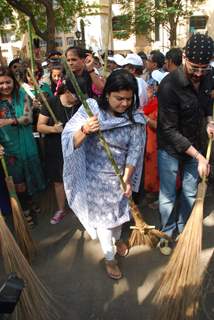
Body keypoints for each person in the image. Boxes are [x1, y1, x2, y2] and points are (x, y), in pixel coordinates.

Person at [62, 69, 146, 280]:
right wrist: (84, 129)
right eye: (119, 98)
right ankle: (109, 258)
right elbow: (70, 141)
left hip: (119, 179)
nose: (125, 104)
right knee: (105, 225)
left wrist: (127, 179)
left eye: (129, 99)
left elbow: (134, 152)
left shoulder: (135, 118)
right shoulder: (91, 111)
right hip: (94, 181)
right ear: (107, 94)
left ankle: (117, 240)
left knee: (117, 219)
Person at [157, 33, 214, 255]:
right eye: (194, 67)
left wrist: (209, 121)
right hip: (170, 149)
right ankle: (167, 231)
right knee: (168, 194)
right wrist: (200, 157)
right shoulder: (169, 85)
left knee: (190, 192)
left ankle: (184, 229)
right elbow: (169, 130)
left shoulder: (209, 77)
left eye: (204, 68)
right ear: (183, 57)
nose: (199, 73)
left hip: (198, 143)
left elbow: (207, 106)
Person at [0, 66, 45, 226]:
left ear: (13, 81)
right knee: (18, 181)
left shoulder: (22, 95)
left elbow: (27, 118)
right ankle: (25, 210)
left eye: (8, 82)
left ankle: (31, 201)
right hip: (8, 148)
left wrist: (9, 121)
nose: (5, 86)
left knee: (30, 176)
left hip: (27, 144)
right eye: (1, 83)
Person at [37, 83, 77, 224]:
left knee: (75, 177)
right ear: (66, 91)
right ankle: (61, 209)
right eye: (75, 94)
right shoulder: (52, 103)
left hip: (75, 146)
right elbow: (40, 126)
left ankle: (78, 207)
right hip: (55, 147)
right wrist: (54, 129)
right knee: (58, 180)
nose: (78, 98)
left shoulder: (79, 105)